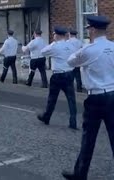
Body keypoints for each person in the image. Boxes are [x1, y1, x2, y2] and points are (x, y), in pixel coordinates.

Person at [62, 15, 114, 180]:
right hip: (113, 94)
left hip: (96, 98)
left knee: (89, 138)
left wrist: (81, 50)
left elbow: (70, 62)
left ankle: (80, 174)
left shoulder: (88, 50)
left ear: (92, 30)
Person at [38, 26, 77, 130]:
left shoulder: (54, 46)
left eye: (54, 34)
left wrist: (53, 43)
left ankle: (47, 117)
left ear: (57, 35)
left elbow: (43, 52)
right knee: (71, 99)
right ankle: (73, 121)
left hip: (57, 75)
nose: (53, 36)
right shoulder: (71, 46)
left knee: (52, 98)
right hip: (69, 74)